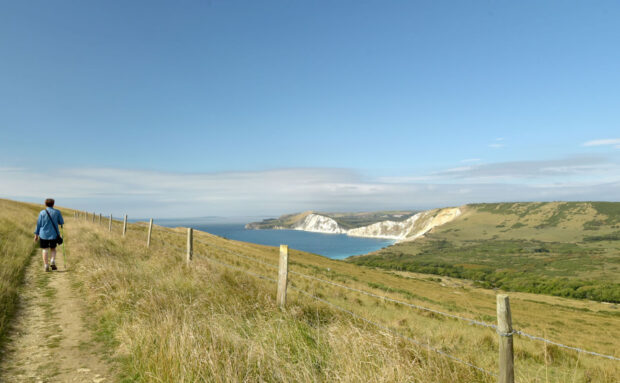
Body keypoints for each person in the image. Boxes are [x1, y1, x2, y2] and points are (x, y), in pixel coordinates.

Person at [34, 198, 65, 272]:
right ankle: (52, 260)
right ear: (53, 204)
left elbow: (38, 224)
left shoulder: (42, 213)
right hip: (54, 234)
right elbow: (61, 222)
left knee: (45, 249)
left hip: (43, 234)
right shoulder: (57, 212)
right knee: (53, 249)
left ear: (45, 204)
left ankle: (46, 265)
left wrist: (36, 235)